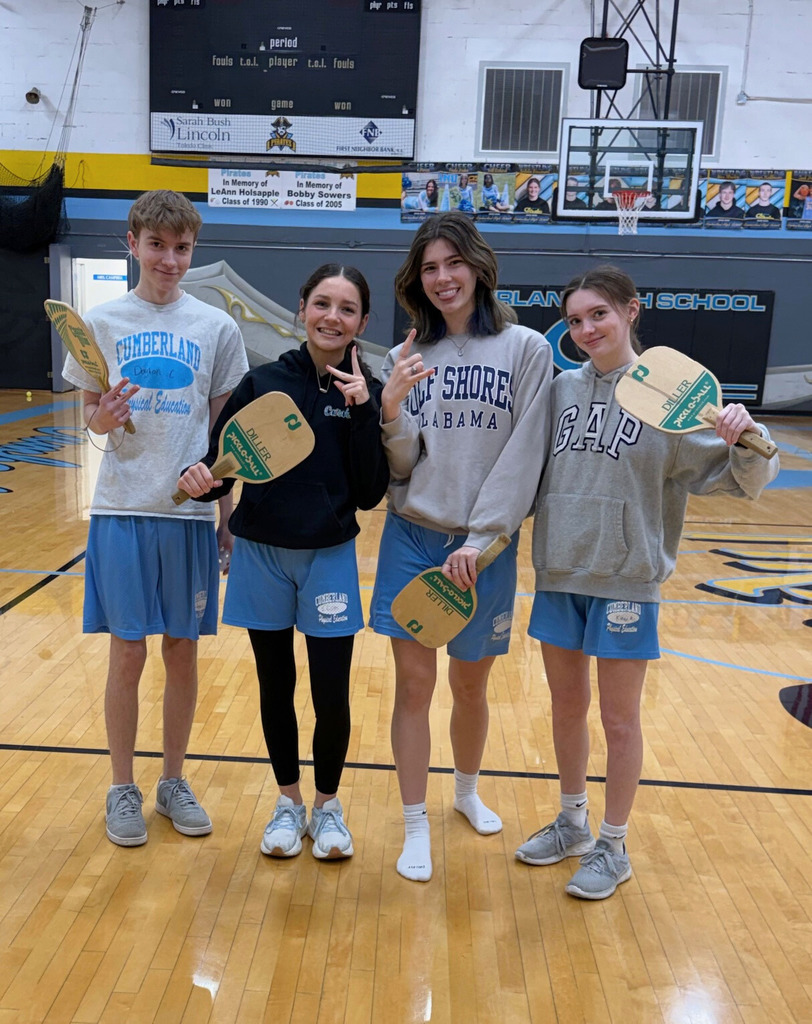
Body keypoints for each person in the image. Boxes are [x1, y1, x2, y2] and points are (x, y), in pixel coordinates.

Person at [515, 264, 779, 899]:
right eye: (574, 321)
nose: (585, 330)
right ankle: (572, 822)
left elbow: (740, 479)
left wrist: (749, 437)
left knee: (619, 719)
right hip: (560, 570)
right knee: (567, 708)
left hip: (628, 577)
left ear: (630, 312)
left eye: (598, 315)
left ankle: (613, 844)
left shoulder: (669, 399)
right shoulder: (557, 393)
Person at [177, 265, 389, 860]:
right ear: (301, 308)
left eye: (347, 309)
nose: (332, 317)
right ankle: (288, 802)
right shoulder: (262, 382)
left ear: (362, 323)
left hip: (328, 558)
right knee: (276, 685)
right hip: (261, 555)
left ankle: (327, 808)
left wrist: (367, 414)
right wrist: (201, 480)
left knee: (331, 692)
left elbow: (371, 493)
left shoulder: (363, 393)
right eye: (322, 303)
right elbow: (223, 468)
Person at [61, 189, 249, 847]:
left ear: (192, 250)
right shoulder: (102, 321)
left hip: (190, 517)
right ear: (132, 244)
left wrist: (227, 512)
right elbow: (90, 418)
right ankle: (122, 788)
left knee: (182, 653)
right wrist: (101, 418)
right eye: (158, 245)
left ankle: (173, 781)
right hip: (122, 510)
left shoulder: (216, 328)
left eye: (182, 247)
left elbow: (226, 437)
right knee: (126, 653)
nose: (170, 259)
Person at [369, 212, 553, 882]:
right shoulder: (404, 357)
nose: (442, 278)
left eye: (452, 263)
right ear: (417, 280)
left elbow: (524, 455)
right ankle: (414, 823)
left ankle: (467, 792)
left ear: (478, 266)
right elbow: (401, 463)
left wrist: (484, 540)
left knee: (471, 686)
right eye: (429, 268)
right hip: (414, 536)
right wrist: (390, 411)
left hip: (488, 551)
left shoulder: (527, 350)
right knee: (414, 686)